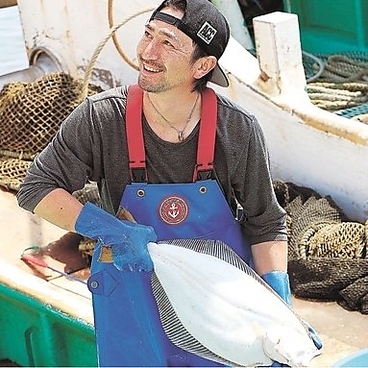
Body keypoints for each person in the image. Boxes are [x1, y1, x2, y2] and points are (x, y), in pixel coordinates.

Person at [17, 0, 320, 366]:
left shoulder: (237, 129)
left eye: (169, 43)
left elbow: (266, 222)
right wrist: (112, 231)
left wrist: (277, 308)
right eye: (148, 34)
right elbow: (36, 187)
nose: (148, 52)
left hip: (213, 304)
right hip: (131, 292)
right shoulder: (100, 117)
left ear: (203, 66)